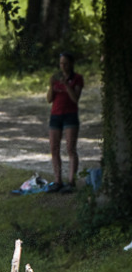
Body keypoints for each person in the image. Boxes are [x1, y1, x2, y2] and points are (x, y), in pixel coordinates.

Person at [46, 52, 83, 192]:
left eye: (66, 63)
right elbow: (49, 99)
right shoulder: (56, 78)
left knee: (70, 148)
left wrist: (66, 86)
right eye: (61, 63)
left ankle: (71, 181)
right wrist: (51, 86)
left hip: (70, 115)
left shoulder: (77, 79)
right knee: (54, 148)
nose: (63, 66)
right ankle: (57, 180)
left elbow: (75, 99)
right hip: (55, 115)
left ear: (71, 64)